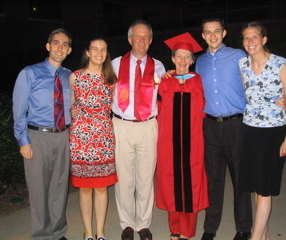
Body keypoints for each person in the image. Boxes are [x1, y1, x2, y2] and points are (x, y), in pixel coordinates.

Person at [195, 18, 253, 240]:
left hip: (236, 125)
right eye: (208, 32)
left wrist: (278, 99)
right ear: (203, 36)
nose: (212, 36)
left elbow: (254, 82)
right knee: (213, 180)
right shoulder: (199, 62)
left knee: (241, 180)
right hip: (209, 126)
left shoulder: (239, 56)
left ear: (224, 33)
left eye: (216, 31)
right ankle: (210, 229)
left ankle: (243, 228)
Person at [12, 28, 72, 240]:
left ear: (69, 50)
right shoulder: (29, 72)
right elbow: (18, 109)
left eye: (64, 44)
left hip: (64, 136)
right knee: (39, 191)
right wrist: (23, 140)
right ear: (48, 46)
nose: (60, 47)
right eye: (56, 43)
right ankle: (42, 236)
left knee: (59, 187)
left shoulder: (70, 76)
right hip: (38, 137)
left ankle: (58, 232)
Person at [238, 21, 286, 240]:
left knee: (266, 188)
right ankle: (264, 236)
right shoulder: (242, 65)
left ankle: (255, 238)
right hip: (250, 130)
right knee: (256, 186)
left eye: (254, 37)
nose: (250, 41)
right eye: (246, 38)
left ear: (264, 40)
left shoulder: (280, 65)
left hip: (274, 133)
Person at [111, 19, 166, 240]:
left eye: (146, 37)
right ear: (129, 39)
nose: (142, 41)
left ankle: (143, 224)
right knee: (124, 178)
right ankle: (126, 224)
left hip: (148, 126)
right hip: (122, 125)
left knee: (145, 178)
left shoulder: (159, 67)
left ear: (151, 41)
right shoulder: (114, 65)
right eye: (138, 36)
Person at [156, 32, 209, 240]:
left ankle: (188, 231)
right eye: (179, 56)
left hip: (193, 143)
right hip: (168, 143)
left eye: (188, 56)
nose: (183, 60)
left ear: (192, 60)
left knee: (191, 182)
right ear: (172, 58)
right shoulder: (164, 82)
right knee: (171, 184)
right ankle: (174, 229)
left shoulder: (198, 81)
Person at [69, 37, 118, 240]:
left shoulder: (112, 79)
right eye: (95, 49)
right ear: (87, 52)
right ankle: (87, 231)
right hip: (81, 139)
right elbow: (70, 106)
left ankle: (100, 232)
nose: (99, 53)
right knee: (85, 189)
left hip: (104, 138)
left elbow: (118, 106)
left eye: (104, 50)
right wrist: (72, 111)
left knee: (101, 187)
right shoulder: (75, 77)